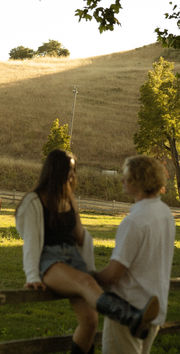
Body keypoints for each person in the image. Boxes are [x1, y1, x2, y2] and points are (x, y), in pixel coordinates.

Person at [15, 149, 160, 354]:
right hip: (49, 261)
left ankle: (132, 319)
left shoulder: (69, 198)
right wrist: (32, 275)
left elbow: (82, 237)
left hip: (73, 260)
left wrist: (88, 267)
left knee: (90, 322)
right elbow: (31, 241)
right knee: (86, 283)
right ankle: (131, 318)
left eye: (74, 169)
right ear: (55, 171)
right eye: (69, 170)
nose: (73, 175)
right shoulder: (34, 201)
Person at [95, 155, 176, 354]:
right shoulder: (165, 214)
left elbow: (114, 273)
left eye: (127, 177)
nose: (123, 180)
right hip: (155, 309)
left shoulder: (133, 222)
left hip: (128, 310)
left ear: (140, 181)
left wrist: (85, 276)